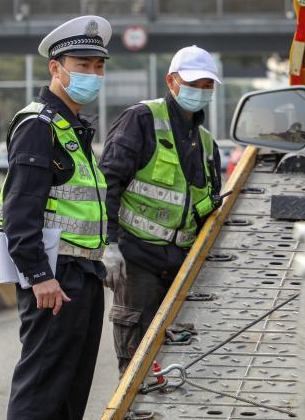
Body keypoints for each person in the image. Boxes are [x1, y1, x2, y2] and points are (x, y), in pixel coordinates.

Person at [1, 15, 110, 420]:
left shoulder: (72, 127)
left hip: (82, 274)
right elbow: (20, 210)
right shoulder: (38, 125)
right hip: (55, 277)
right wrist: (39, 275)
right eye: (83, 65)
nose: (93, 74)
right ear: (56, 68)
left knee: (70, 390)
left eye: (99, 66)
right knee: (42, 390)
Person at [100, 45, 223, 376]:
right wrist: (108, 245)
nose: (201, 92)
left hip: (180, 268)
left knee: (181, 365)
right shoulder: (140, 120)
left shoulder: (207, 143)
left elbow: (206, 206)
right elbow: (107, 184)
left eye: (207, 85)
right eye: (194, 83)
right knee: (138, 368)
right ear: (171, 81)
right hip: (137, 262)